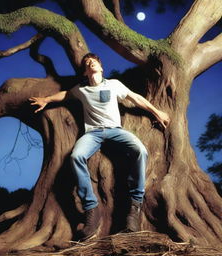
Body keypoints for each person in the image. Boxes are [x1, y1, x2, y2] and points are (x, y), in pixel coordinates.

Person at [29, 53, 170, 240]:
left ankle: (134, 207)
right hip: (92, 134)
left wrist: (156, 111)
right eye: (87, 63)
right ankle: (91, 208)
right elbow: (65, 94)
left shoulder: (113, 85)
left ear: (101, 68)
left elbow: (135, 98)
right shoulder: (81, 89)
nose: (90, 63)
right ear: (85, 71)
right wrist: (46, 99)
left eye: (94, 61)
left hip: (115, 131)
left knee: (140, 151)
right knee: (76, 156)